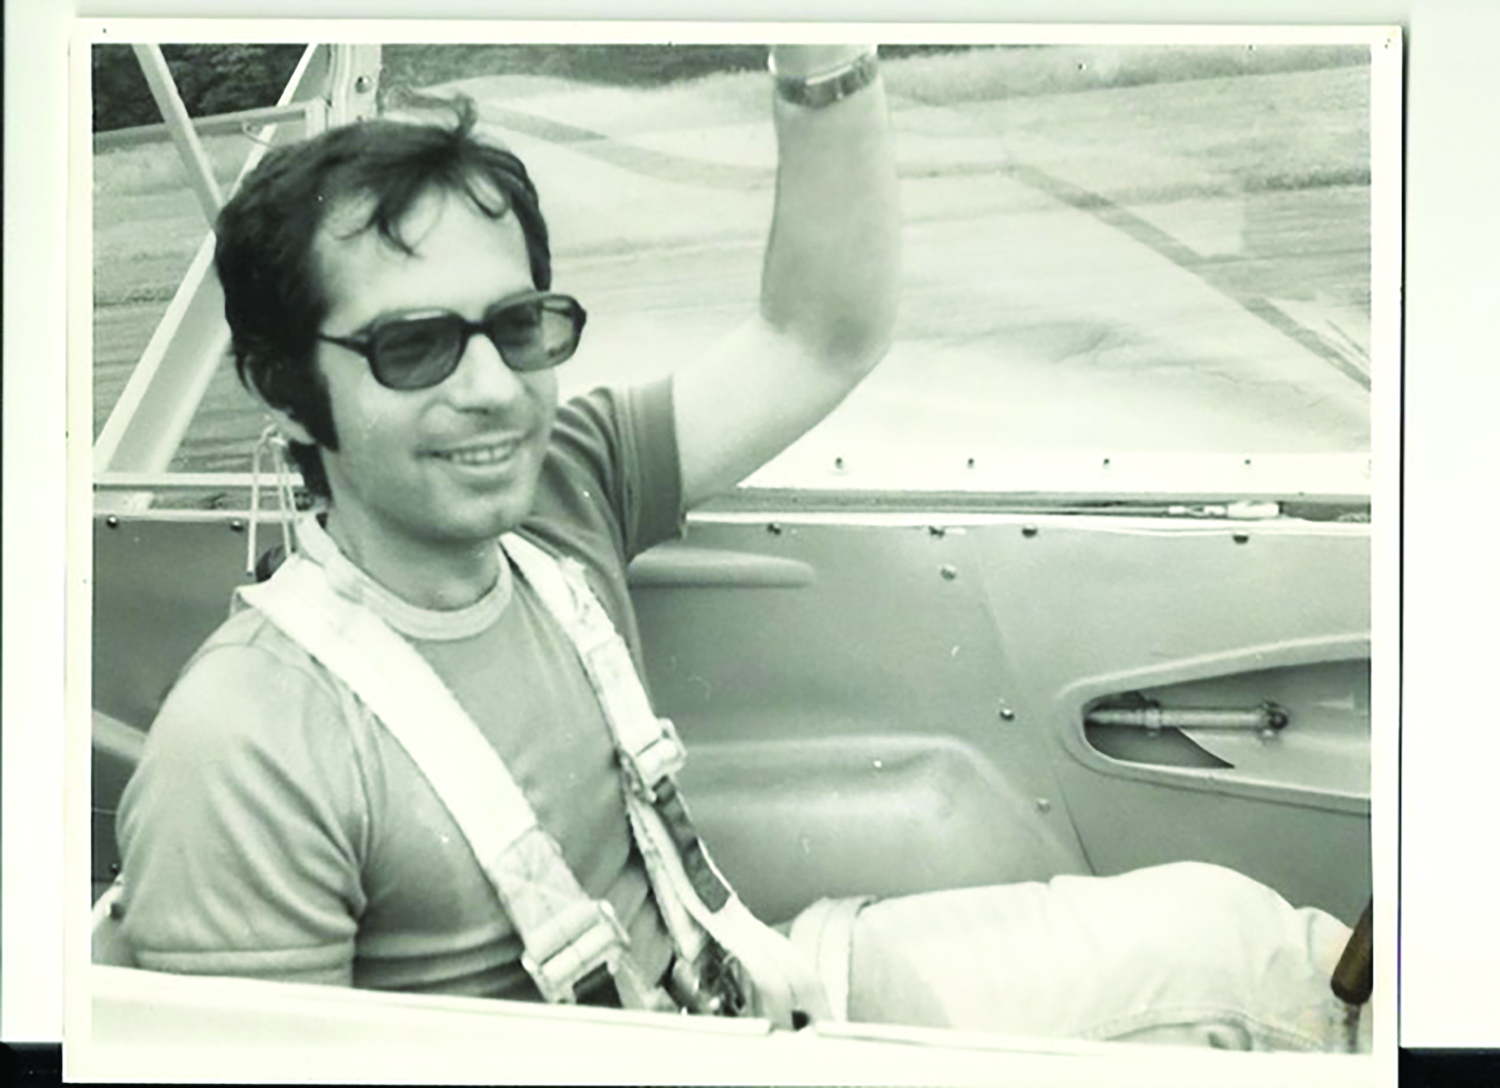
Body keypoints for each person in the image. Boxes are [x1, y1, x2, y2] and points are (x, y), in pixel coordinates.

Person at [114, 44, 1369, 1051]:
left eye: (520, 323)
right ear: (286, 389)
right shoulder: (244, 753)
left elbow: (820, 330)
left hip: (749, 985)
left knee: (1251, 948)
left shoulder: (566, 483)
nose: (492, 388)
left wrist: (818, 49)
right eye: (413, 346)